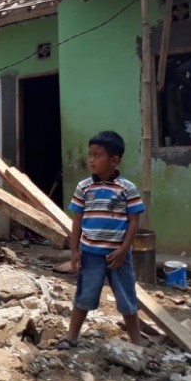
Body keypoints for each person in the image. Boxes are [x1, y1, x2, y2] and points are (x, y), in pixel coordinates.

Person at [58, 130, 144, 350]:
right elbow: (77, 220)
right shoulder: (84, 187)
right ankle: (71, 337)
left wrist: (125, 250)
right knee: (84, 295)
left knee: (127, 297)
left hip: (118, 256)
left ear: (114, 160)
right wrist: (74, 250)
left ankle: (136, 341)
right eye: (90, 155)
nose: (91, 160)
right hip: (90, 254)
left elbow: (134, 221)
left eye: (97, 155)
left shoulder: (127, 188)